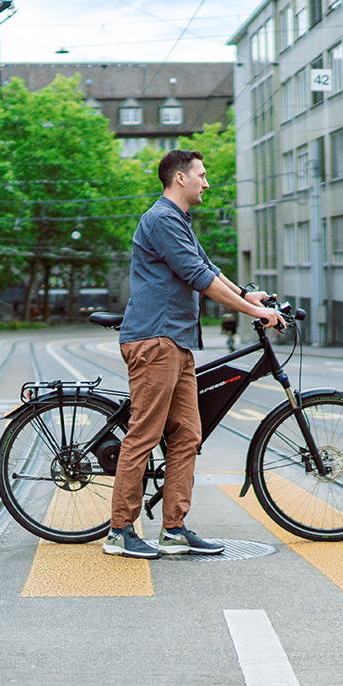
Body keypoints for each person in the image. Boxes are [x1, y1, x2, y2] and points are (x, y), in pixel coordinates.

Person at [105, 150, 284, 560]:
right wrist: (255, 312)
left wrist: (244, 294)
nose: (207, 183)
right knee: (145, 435)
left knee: (187, 435)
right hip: (155, 340)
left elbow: (207, 265)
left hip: (178, 341)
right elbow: (198, 277)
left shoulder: (178, 221)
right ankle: (119, 531)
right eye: (201, 175)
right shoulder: (162, 219)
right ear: (180, 179)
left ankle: (173, 528)